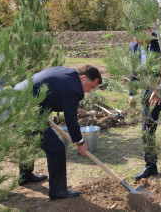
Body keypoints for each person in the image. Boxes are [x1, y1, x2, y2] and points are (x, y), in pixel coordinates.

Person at [14, 65, 101, 200]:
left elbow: (49, 90)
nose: (89, 91)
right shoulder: (74, 88)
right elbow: (71, 119)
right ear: (83, 77)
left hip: (18, 99)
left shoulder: (68, 73)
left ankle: (25, 175)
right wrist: (80, 142)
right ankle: (58, 191)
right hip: (25, 108)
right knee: (57, 148)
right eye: (91, 86)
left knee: (29, 139)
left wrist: (42, 113)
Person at [128, 27, 161, 181]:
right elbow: (133, 72)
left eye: (139, 34)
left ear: (148, 29)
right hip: (148, 94)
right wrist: (131, 94)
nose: (137, 39)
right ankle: (150, 165)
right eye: (134, 35)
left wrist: (160, 89)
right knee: (147, 130)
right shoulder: (134, 47)